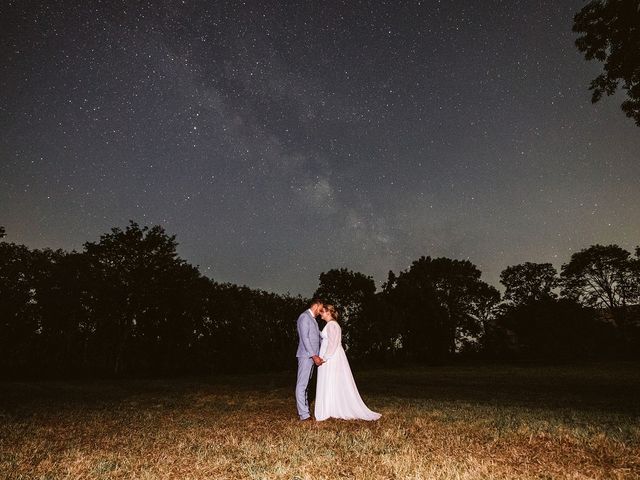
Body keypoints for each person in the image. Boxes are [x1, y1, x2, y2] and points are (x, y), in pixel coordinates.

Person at [314, 305, 381, 421]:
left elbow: (333, 344)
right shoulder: (331, 325)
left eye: (322, 312)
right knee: (331, 381)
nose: (321, 315)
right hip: (331, 357)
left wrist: (324, 358)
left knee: (331, 379)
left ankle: (333, 408)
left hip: (331, 358)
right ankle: (331, 407)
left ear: (328, 312)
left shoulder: (332, 325)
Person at [295, 298, 324, 421]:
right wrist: (314, 355)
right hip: (306, 356)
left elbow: (319, 336)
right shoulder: (304, 317)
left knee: (306, 385)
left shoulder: (313, 319)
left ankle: (305, 412)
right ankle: (304, 415)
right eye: (321, 308)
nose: (321, 311)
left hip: (311, 357)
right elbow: (305, 338)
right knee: (302, 385)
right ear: (316, 305)